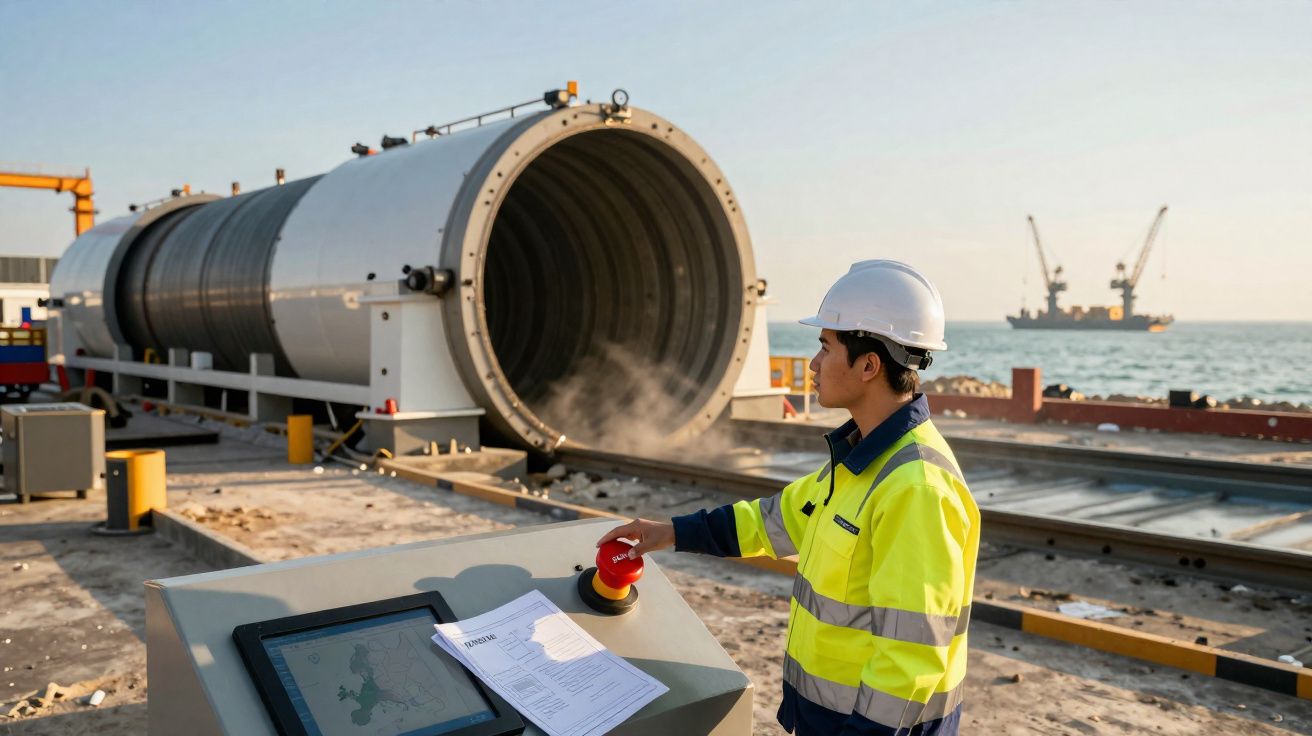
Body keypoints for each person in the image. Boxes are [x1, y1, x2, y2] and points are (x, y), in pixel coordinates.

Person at [598, 260, 978, 735]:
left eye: (824, 347)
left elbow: (912, 659)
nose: (814, 364)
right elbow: (769, 521)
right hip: (826, 719)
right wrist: (668, 533)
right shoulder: (859, 460)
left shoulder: (916, 488)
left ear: (868, 365)